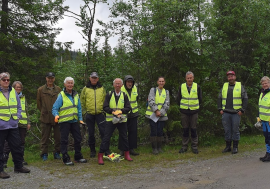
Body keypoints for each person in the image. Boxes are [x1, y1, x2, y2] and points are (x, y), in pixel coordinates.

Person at [0, 72, 30, 179]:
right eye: (4, 80)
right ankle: (1, 170)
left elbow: (19, 106)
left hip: (13, 125)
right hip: (1, 126)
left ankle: (18, 166)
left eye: (8, 80)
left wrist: (17, 117)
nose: (6, 81)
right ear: (0, 81)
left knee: (17, 146)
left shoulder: (13, 91)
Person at [52, 77, 87, 165]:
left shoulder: (76, 95)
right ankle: (65, 157)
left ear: (73, 84)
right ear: (65, 84)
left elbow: (79, 108)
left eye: (71, 83)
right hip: (64, 121)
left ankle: (78, 156)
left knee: (78, 139)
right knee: (64, 140)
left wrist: (81, 119)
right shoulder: (61, 95)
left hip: (74, 120)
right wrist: (56, 115)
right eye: (68, 83)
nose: (70, 85)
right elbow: (55, 108)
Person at [98, 78, 133, 165]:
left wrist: (121, 111)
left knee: (124, 137)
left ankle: (127, 154)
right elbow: (105, 107)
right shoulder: (109, 94)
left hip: (122, 120)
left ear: (122, 85)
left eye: (119, 84)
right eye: (116, 84)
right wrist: (112, 111)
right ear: (113, 85)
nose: (117, 85)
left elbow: (128, 108)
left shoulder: (124, 95)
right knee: (106, 138)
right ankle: (100, 156)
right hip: (111, 120)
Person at [218, 71, 248, 154]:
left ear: (235, 76)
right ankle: (228, 147)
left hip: (236, 113)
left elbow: (245, 98)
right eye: (229, 77)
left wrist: (242, 110)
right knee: (227, 130)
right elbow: (219, 98)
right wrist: (220, 109)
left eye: (232, 76)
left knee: (235, 130)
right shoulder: (224, 86)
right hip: (226, 112)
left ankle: (235, 147)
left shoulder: (239, 85)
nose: (230, 78)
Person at [80, 72, 107, 158]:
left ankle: (105, 149)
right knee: (91, 133)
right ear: (90, 78)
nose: (94, 79)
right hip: (90, 114)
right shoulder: (85, 89)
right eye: (92, 78)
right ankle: (92, 150)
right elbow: (81, 101)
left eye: (95, 78)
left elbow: (105, 100)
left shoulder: (102, 88)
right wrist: (85, 112)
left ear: (98, 79)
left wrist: (104, 111)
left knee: (103, 132)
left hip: (100, 114)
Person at [37, 72, 61, 161]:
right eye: (49, 78)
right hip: (45, 117)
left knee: (58, 137)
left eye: (52, 78)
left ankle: (57, 153)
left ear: (54, 79)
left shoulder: (58, 89)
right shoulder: (41, 90)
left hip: (56, 117)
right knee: (45, 137)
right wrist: (43, 111)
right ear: (46, 78)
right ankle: (44, 154)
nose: (50, 80)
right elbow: (38, 103)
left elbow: (61, 102)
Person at [177, 71, 202, 154]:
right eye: (188, 78)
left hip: (194, 111)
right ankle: (184, 146)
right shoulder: (182, 86)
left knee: (194, 129)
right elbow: (178, 98)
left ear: (193, 78)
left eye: (191, 78)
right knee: (185, 129)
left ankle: (194, 146)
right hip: (184, 111)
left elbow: (200, 99)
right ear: (185, 78)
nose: (189, 79)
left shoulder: (197, 86)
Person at [145, 76, 170, 154]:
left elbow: (167, 103)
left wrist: (161, 112)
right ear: (157, 82)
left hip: (161, 116)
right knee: (154, 131)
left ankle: (159, 147)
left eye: (163, 81)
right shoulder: (153, 90)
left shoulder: (166, 92)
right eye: (160, 81)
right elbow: (151, 101)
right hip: (153, 115)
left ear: (164, 82)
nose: (161, 83)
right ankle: (154, 148)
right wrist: (156, 110)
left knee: (160, 131)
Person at [119, 75, 139, 156]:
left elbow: (136, 99)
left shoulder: (135, 88)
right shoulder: (121, 89)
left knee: (133, 132)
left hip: (134, 113)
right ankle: (122, 149)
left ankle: (131, 149)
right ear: (125, 82)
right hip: (124, 114)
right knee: (123, 132)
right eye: (128, 82)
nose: (129, 83)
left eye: (131, 82)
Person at [257, 76, 270, 162]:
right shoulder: (262, 93)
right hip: (263, 120)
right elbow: (260, 107)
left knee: (269, 137)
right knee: (266, 137)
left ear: (269, 83)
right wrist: (258, 117)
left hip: (269, 121)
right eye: (263, 83)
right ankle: (268, 153)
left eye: (266, 83)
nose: (265, 85)